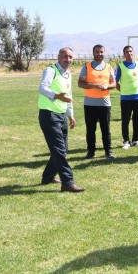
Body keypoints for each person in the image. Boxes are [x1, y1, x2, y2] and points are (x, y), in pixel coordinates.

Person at [38, 47, 84, 192]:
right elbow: (43, 88)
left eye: (70, 57)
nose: (68, 60)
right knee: (58, 149)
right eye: (65, 56)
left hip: (61, 114)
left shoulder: (68, 74)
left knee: (62, 149)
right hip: (49, 114)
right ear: (58, 57)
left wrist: (70, 114)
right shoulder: (51, 70)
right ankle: (67, 182)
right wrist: (57, 96)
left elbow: (68, 95)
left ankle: (48, 176)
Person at [78, 44, 116, 159]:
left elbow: (114, 83)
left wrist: (107, 86)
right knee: (90, 129)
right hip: (90, 104)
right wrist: (94, 85)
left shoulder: (109, 67)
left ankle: (108, 151)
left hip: (104, 103)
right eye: (97, 52)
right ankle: (91, 152)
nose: (99, 54)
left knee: (106, 129)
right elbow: (80, 83)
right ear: (93, 53)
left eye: (101, 52)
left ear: (104, 53)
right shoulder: (87, 66)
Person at [115, 45, 138, 149]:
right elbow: (115, 82)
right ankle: (126, 141)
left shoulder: (137, 64)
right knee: (125, 120)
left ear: (133, 53)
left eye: (131, 51)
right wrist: (122, 91)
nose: (129, 53)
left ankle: (136, 140)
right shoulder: (120, 66)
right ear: (124, 54)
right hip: (126, 99)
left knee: (137, 120)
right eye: (127, 52)